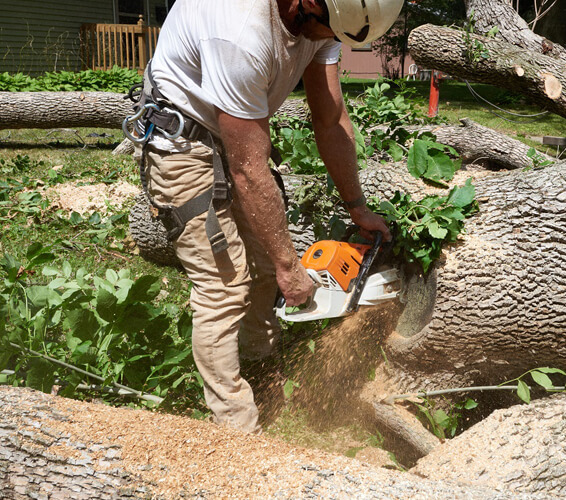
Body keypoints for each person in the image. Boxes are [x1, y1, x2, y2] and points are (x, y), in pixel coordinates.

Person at [129, 0, 403, 434]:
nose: (329, 44)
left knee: (261, 269)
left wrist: (357, 206)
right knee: (224, 286)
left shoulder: (331, 21)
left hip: (236, 134)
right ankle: (238, 432)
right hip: (183, 142)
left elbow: (329, 120)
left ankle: (260, 371)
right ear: (307, 5)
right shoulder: (241, 30)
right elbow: (248, 170)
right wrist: (289, 266)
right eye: (328, 34)